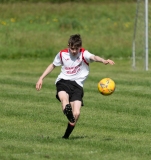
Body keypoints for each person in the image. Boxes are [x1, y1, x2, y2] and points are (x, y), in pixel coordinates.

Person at [36, 34, 115, 139]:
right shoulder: (62, 54)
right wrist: (41, 78)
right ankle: (67, 110)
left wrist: (103, 61)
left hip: (77, 85)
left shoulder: (83, 53)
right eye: (72, 48)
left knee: (76, 113)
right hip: (63, 81)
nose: (74, 51)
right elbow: (53, 65)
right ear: (68, 45)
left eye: (76, 49)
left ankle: (65, 137)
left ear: (80, 47)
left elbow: (94, 57)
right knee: (64, 99)